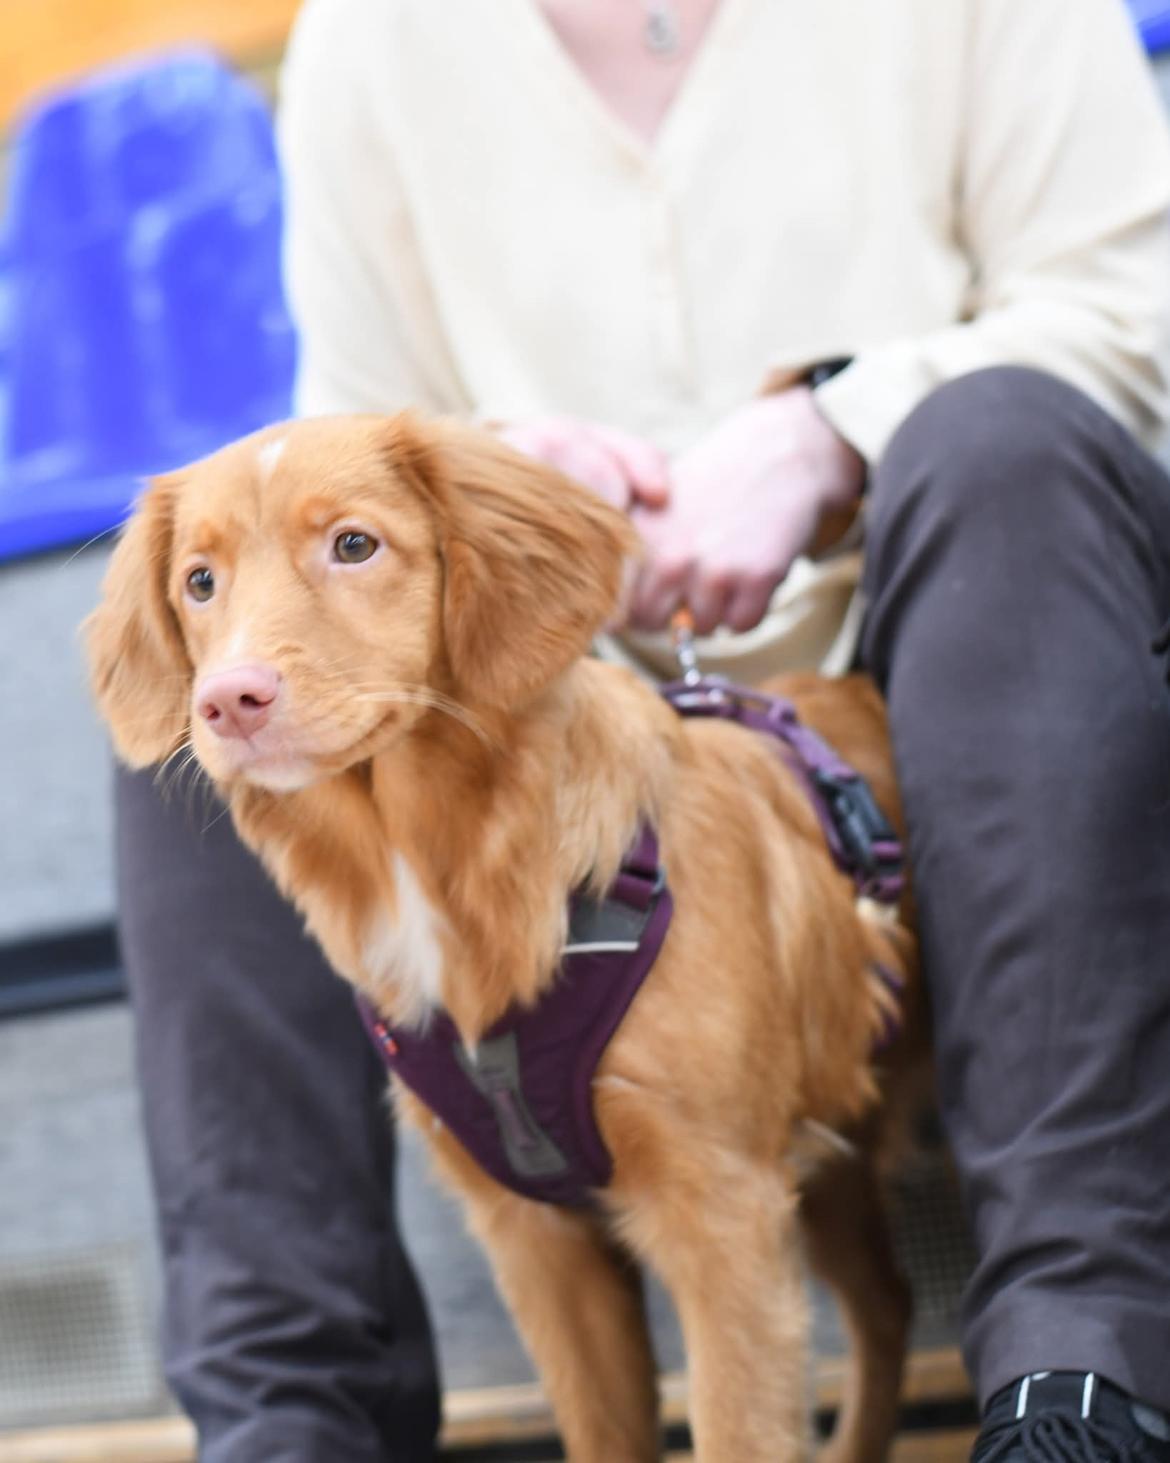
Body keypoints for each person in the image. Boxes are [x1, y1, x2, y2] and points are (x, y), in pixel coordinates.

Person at [114, 1, 1170, 1458]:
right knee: (218, 700)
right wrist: (494, 482)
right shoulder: (371, 38)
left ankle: (1077, 1377)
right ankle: (293, 1431)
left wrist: (834, 433)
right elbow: (331, 464)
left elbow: (1137, 315)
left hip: (964, 631)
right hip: (542, 665)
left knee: (1003, 438)